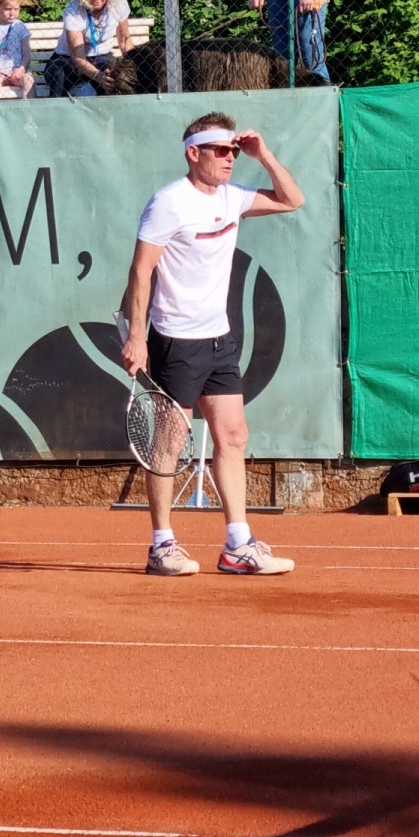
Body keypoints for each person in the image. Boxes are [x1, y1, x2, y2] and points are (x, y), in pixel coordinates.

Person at [120, 112, 304, 577]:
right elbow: (141, 270)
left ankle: (237, 546)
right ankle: (162, 546)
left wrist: (263, 154)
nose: (230, 159)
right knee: (168, 444)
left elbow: (292, 199)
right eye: (221, 151)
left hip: (219, 339)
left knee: (233, 436)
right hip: (175, 341)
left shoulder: (233, 197)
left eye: (234, 152)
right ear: (193, 153)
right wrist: (138, 335)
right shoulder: (168, 203)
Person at [44, 0, 134, 97]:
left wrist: (133, 67)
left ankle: (105, 109)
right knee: (58, 74)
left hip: (102, 56)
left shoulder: (119, 3)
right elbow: (77, 56)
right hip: (68, 59)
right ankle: (56, 108)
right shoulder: (73, 10)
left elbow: (125, 40)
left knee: (111, 76)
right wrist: (97, 76)